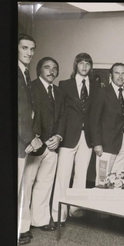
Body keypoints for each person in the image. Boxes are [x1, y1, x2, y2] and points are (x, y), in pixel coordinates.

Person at [51, 53, 98, 225]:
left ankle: (76, 209)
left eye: (87, 63)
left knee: (81, 176)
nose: (84, 66)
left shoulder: (95, 86)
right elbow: (60, 113)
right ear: (76, 65)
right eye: (81, 63)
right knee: (63, 176)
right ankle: (58, 214)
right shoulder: (64, 85)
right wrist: (58, 134)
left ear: (90, 67)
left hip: (87, 138)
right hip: (68, 136)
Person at [20, 57, 63, 235]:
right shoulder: (30, 87)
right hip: (35, 143)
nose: (51, 71)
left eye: (54, 68)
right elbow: (27, 115)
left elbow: (63, 116)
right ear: (39, 70)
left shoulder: (59, 92)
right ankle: (22, 227)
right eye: (47, 67)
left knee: (45, 184)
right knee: (26, 184)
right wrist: (35, 138)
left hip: (53, 145)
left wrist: (59, 136)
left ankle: (41, 219)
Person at [17, 33, 42, 246]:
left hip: (23, 144)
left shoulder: (25, 74)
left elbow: (28, 112)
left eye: (32, 49)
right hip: (18, 144)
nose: (29, 53)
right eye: (25, 48)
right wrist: (28, 139)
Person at [90, 63, 124, 185]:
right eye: (117, 73)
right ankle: (98, 204)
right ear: (111, 75)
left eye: (123, 73)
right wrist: (97, 143)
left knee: (119, 179)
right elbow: (95, 120)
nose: (120, 76)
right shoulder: (102, 92)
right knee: (102, 180)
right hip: (106, 145)